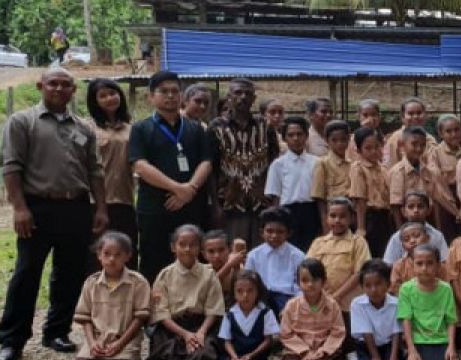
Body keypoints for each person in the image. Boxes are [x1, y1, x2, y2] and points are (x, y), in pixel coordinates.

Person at [0, 68, 110, 360]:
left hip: (76, 207)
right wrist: (19, 208)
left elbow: (95, 171)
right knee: (26, 273)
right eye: (53, 83)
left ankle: (56, 332)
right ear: (41, 86)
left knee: (69, 272)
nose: (59, 89)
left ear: (73, 90)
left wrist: (100, 208)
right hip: (37, 207)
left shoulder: (83, 128)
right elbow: (10, 167)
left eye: (65, 85)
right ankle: (12, 339)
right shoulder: (23, 122)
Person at [129, 71, 214, 283]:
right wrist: (178, 188)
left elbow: (207, 162)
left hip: (192, 205)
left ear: (182, 96)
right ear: (151, 96)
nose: (170, 96)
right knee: (153, 259)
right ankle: (155, 312)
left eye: (175, 91)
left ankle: (192, 309)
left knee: (192, 257)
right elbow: (139, 164)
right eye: (163, 91)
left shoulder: (196, 129)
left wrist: (190, 189)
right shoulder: (141, 128)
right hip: (156, 208)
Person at [64, 232, 150, 360]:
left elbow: (140, 318)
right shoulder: (91, 283)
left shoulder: (138, 282)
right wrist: (92, 343)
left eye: (118, 255)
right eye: (107, 254)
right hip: (98, 340)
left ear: (128, 256)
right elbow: (85, 318)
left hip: (125, 341)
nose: (112, 259)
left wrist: (120, 344)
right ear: (99, 255)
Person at [144, 224, 224, 360]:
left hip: (201, 325)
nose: (187, 249)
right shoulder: (165, 275)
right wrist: (185, 335)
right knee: (164, 357)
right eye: (182, 244)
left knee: (203, 356)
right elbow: (161, 313)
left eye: (193, 244)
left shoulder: (209, 274)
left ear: (200, 248)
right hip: (172, 328)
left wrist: (200, 333)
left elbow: (213, 310)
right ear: (173, 247)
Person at [210, 78, 279, 247]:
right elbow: (211, 169)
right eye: (238, 93)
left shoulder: (266, 127)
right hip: (230, 203)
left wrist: (275, 201)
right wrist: (215, 206)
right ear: (229, 97)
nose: (243, 97)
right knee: (234, 252)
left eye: (247, 93)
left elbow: (274, 165)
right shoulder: (216, 127)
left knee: (261, 252)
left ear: (254, 99)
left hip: (261, 203)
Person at [271, 258, 352, 360]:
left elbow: (338, 332)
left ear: (323, 281)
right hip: (298, 352)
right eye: (305, 280)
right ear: (298, 282)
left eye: (315, 280)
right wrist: (304, 352)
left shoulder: (332, 304)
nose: (310, 284)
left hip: (324, 350)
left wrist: (324, 351)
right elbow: (286, 334)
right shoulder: (292, 305)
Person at [398, 245, 461, 360]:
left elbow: (451, 321)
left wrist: (451, 347)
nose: (424, 268)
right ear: (412, 264)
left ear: (438, 265)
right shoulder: (406, 289)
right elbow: (406, 320)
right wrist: (411, 351)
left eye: (429, 263)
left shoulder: (445, 289)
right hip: (418, 341)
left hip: (441, 340)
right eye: (419, 263)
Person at [86, 78, 137, 252]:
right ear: (95, 101)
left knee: (126, 250)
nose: (109, 98)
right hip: (96, 201)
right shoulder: (87, 128)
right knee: (98, 253)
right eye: (103, 96)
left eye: (113, 93)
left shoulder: (131, 129)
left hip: (125, 199)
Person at [307, 198, 371, 328]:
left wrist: (336, 296)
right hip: (321, 301)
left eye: (342, 216)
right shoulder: (318, 243)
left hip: (348, 304)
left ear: (352, 218)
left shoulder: (358, 242)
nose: (337, 220)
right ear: (327, 218)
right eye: (333, 216)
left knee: (348, 340)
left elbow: (360, 273)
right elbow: (308, 271)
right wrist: (323, 296)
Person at [264, 116, 319, 251]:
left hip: (311, 211)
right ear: (284, 138)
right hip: (288, 211)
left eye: (299, 134)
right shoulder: (278, 164)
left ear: (306, 136)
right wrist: (277, 219)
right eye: (291, 135)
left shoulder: (317, 162)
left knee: (311, 249)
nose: (296, 138)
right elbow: (275, 196)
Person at [217, 270, 279, 360]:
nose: (245, 295)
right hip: (236, 355)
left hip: (255, 356)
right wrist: (234, 357)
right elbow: (226, 340)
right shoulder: (230, 313)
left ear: (258, 292)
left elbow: (268, 340)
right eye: (240, 291)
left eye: (250, 291)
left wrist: (251, 355)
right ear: (234, 293)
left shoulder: (265, 312)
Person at [244, 206, 305, 315]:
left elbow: (301, 285)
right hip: (260, 298)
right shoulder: (253, 255)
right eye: (269, 231)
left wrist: (293, 305)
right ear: (261, 232)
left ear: (289, 233)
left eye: (280, 232)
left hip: (287, 298)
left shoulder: (297, 256)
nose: (274, 236)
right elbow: (248, 282)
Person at [351, 260, 404, 360]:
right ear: (362, 287)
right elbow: (366, 332)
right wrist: (375, 358)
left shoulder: (396, 303)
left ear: (388, 284)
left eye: (378, 284)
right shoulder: (357, 304)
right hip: (366, 346)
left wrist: (393, 359)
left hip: (388, 345)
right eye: (368, 286)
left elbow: (397, 333)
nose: (373, 290)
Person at [349, 126, 392, 257]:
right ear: (359, 150)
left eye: (377, 147)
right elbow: (360, 199)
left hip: (384, 216)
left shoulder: (383, 169)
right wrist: (361, 227)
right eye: (368, 148)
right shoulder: (358, 169)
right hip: (369, 217)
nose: (374, 151)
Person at [382, 191, 450, 264]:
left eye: (420, 206)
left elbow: (445, 261)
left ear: (429, 210)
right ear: (403, 211)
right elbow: (388, 264)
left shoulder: (437, 236)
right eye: (411, 207)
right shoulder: (396, 237)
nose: (416, 210)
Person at [427, 114, 461, 241]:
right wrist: (454, 209)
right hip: (445, 202)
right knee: (446, 237)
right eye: (448, 131)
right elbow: (437, 184)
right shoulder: (435, 153)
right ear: (441, 133)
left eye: (457, 130)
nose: (453, 134)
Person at [389, 126, 436, 229]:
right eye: (414, 144)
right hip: (405, 223)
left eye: (422, 145)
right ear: (403, 145)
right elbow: (396, 205)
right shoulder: (398, 171)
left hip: (424, 222)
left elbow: (432, 200)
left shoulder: (427, 171)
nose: (419, 149)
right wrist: (400, 230)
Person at [311, 120, 353, 234]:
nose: (339, 144)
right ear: (326, 140)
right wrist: (326, 225)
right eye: (334, 140)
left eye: (343, 140)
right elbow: (320, 198)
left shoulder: (352, 164)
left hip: (350, 215)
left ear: (348, 140)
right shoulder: (322, 163)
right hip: (334, 217)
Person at [384, 97, 435, 167]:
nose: (415, 116)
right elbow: (389, 167)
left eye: (419, 113)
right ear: (403, 117)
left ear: (425, 115)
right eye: (410, 114)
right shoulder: (395, 139)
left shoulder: (430, 139)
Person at [204, 230, 244, 305]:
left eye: (221, 250)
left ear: (229, 249)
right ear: (204, 254)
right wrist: (229, 265)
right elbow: (209, 286)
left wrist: (236, 267)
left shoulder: (240, 268)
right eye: (211, 251)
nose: (217, 256)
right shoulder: (201, 271)